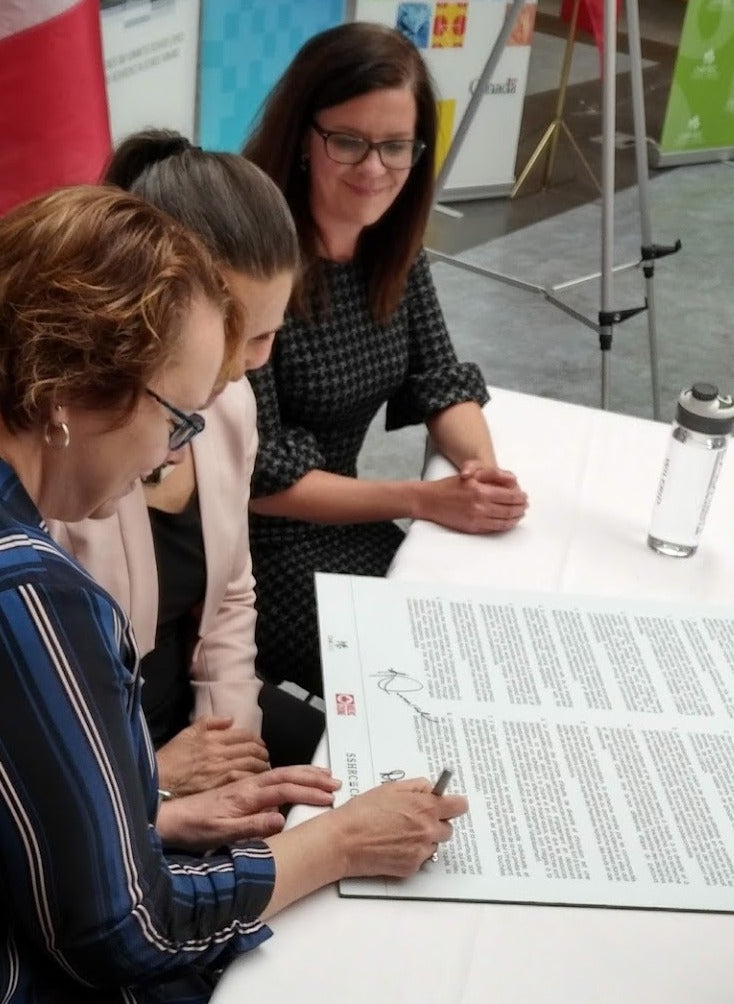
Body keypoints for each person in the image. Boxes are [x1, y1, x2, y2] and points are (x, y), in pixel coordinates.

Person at [0, 185, 468, 1002]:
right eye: (175, 419)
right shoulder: (20, 589)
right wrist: (335, 844)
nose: (164, 459)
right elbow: (127, 934)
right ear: (71, 390)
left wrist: (142, 815)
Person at [244, 22, 529, 695]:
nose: (374, 170)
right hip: (251, 552)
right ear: (303, 141)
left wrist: (478, 474)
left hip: (349, 516)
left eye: (395, 147)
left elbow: (440, 381)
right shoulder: (253, 260)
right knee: (421, 672)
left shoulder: (391, 251)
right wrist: (423, 499)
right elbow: (256, 479)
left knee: (474, 633)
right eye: (348, 142)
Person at [51, 131, 322, 792]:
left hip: (188, 726)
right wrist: (158, 778)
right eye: (231, 332)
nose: (242, 365)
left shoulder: (230, 404)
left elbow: (232, 592)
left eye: (267, 334)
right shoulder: (67, 449)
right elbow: (39, 715)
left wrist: (231, 737)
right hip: (89, 755)